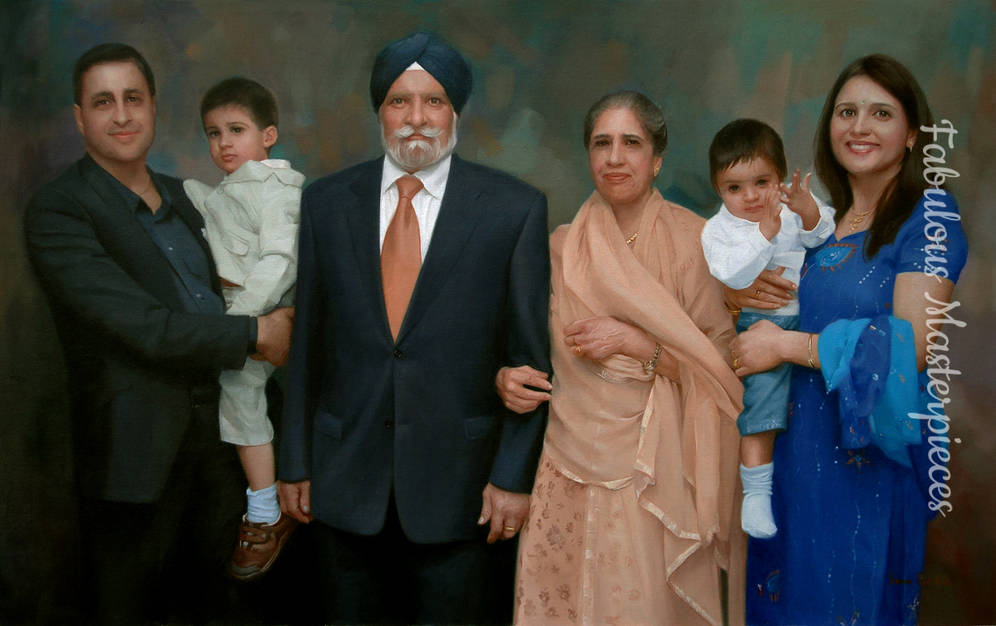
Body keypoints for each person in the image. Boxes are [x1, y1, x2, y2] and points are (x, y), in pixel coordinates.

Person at [277, 32, 551, 624]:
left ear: (455, 111)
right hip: (342, 482)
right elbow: (307, 348)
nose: (417, 118)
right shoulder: (325, 203)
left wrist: (512, 476)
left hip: (463, 492)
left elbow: (531, 365)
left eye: (434, 101)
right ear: (380, 110)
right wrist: (294, 461)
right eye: (399, 101)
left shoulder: (514, 209)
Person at [23, 43, 293, 625]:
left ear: (152, 107)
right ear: (80, 118)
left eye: (133, 98)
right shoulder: (60, 210)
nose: (122, 115)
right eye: (103, 102)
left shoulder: (194, 198)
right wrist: (257, 333)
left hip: (228, 455)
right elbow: (143, 327)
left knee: (233, 612)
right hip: (136, 469)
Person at [729, 54, 968, 625]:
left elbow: (910, 345)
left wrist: (787, 347)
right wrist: (742, 297)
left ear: (913, 134)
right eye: (847, 112)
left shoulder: (930, 216)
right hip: (791, 459)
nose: (860, 126)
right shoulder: (819, 226)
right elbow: (771, 309)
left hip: (866, 464)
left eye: (881, 113)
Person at [499, 90, 744, 625]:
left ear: (656, 160)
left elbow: (723, 374)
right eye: (601, 143)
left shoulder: (695, 242)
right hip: (562, 465)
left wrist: (639, 345)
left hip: (652, 474)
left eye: (631, 143)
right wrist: (506, 376)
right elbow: (523, 347)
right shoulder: (560, 246)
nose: (614, 157)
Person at [184, 77, 302, 580]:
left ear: (268, 135)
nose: (224, 143)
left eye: (237, 130)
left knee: (240, 394)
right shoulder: (235, 187)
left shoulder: (276, 190)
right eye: (214, 134)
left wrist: (244, 323)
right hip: (233, 310)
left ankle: (265, 512)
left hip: (262, 311)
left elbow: (281, 260)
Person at [700, 118, 835, 539]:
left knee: (815, 406)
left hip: (813, 320)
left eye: (762, 182)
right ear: (719, 189)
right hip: (764, 323)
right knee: (762, 403)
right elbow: (732, 275)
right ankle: (756, 493)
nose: (751, 196)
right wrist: (764, 235)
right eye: (734, 188)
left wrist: (807, 211)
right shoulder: (719, 229)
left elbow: (824, 237)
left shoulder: (790, 207)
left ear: (780, 177)